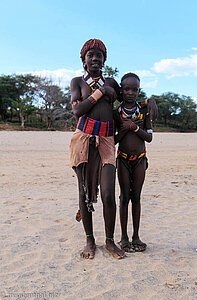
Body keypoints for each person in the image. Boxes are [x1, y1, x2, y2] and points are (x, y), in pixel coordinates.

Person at [70, 38, 126, 259]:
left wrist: (149, 103)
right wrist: (101, 92)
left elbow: (130, 99)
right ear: (84, 61)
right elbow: (78, 110)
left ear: (104, 60)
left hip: (106, 141)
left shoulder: (111, 81)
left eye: (99, 55)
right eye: (90, 55)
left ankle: (110, 241)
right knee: (84, 193)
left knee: (109, 193)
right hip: (84, 139)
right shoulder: (78, 82)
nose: (95, 58)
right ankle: (90, 240)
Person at [114, 73, 153, 252]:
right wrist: (126, 127)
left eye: (134, 89)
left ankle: (136, 237)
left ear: (139, 91)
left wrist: (135, 127)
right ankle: (123, 238)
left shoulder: (144, 111)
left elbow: (149, 137)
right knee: (124, 198)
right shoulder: (116, 113)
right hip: (122, 159)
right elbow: (114, 140)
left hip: (139, 160)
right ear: (121, 91)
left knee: (136, 197)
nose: (130, 92)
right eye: (126, 89)